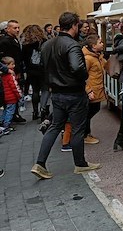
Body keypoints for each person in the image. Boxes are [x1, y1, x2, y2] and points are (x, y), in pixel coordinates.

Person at [31, 12, 101, 180]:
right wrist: (83, 78)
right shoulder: (72, 45)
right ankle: (80, 164)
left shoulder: (48, 44)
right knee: (77, 129)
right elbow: (77, 68)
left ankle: (40, 163)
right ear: (74, 26)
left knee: (55, 126)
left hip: (57, 93)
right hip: (73, 93)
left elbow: (42, 66)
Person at [0, 20, 26, 124]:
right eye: (15, 28)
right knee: (11, 93)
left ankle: (14, 114)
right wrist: (10, 70)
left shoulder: (14, 39)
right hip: (10, 71)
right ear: (8, 29)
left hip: (16, 68)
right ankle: (10, 116)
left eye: (18, 27)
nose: (17, 30)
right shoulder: (4, 41)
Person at [21, 24, 49, 120]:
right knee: (45, 89)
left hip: (31, 71)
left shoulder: (25, 44)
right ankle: (43, 109)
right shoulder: (44, 42)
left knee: (35, 91)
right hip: (43, 69)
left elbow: (23, 59)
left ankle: (35, 111)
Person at [0, 56, 22, 132]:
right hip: (11, 97)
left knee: (6, 110)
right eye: (12, 64)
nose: (14, 66)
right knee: (10, 111)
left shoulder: (2, 75)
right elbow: (14, 86)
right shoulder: (10, 75)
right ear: (7, 65)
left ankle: (2, 122)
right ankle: (6, 125)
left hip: (5, 96)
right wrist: (19, 95)